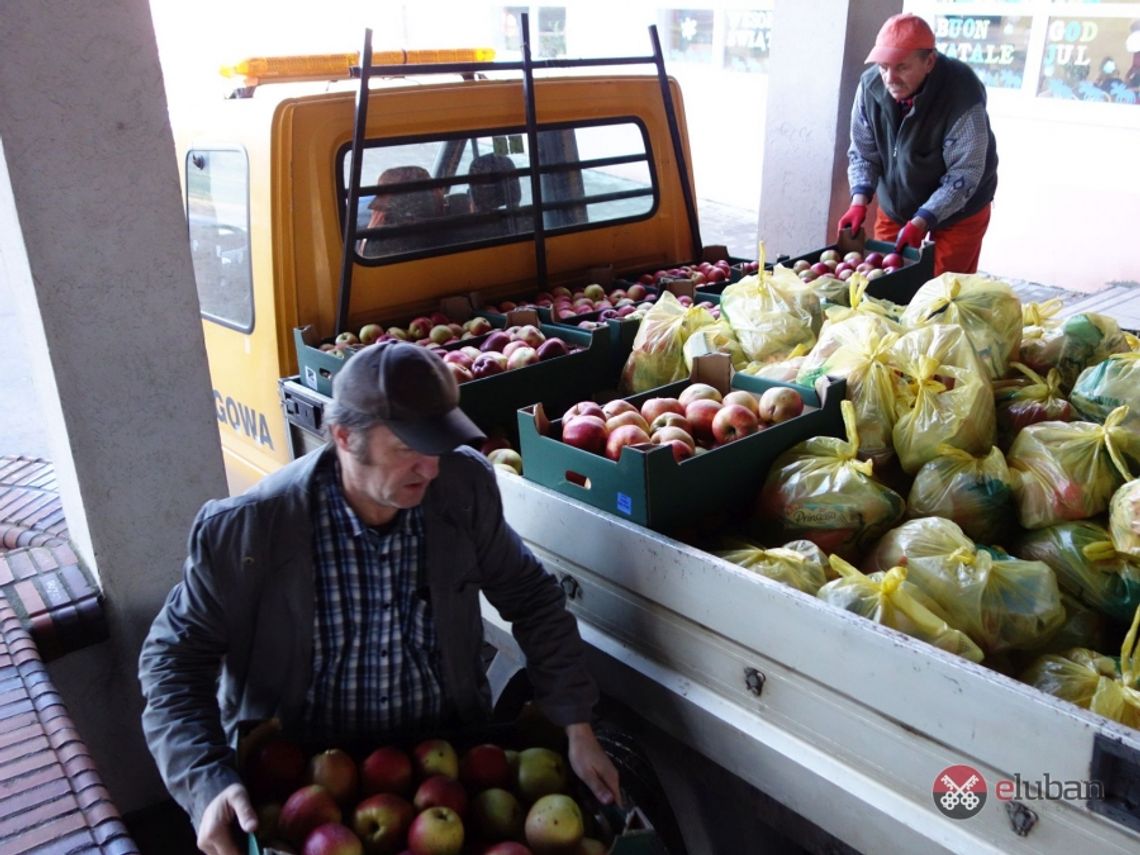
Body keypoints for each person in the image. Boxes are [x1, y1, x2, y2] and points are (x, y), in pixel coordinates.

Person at [138, 341, 620, 855]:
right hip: (303, 786)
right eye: (408, 449)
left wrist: (575, 722)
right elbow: (173, 662)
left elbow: (532, 597)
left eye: (438, 446)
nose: (430, 469)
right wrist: (206, 783)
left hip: (448, 774)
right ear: (345, 437)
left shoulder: (462, 489)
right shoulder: (249, 532)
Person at [837, 13, 998, 276]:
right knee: (883, 279)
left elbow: (964, 175)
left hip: (960, 208)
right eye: (883, 67)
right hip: (897, 203)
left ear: (929, 61)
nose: (890, 78)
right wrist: (858, 201)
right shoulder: (870, 87)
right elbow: (863, 153)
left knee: (941, 292)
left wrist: (923, 219)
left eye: (901, 67)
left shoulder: (961, 95)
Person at [359, 165, 445, 257]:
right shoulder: (452, 217)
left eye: (382, 197)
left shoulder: (381, 245)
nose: (372, 206)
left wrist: (370, 232)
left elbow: (364, 254)